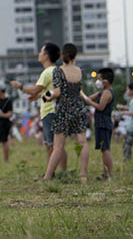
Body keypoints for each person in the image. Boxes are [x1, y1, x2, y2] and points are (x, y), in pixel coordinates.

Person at [11, 42, 65, 171]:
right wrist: (38, 96)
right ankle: (54, 172)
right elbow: (49, 91)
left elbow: (33, 90)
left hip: (49, 112)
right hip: (53, 111)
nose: (39, 54)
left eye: (41, 52)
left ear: (46, 56)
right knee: (53, 145)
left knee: (53, 146)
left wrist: (20, 86)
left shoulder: (47, 72)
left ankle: (53, 173)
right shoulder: (57, 70)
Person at [42, 44, 90, 182]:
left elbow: (57, 92)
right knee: (82, 142)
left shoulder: (58, 71)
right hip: (79, 108)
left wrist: (47, 96)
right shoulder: (79, 71)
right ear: (75, 56)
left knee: (58, 146)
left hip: (64, 109)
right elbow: (79, 91)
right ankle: (83, 176)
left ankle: (48, 176)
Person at [81, 68, 114, 180]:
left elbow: (100, 107)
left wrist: (90, 103)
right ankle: (105, 173)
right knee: (103, 149)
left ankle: (108, 174)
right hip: (100, 123)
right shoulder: (101, 92)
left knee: (105, 149)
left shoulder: (107, 93)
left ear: (105, 81)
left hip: (104, 123)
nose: (97, 82)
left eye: (99, 79)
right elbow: (88, 99)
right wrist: (80, 92)